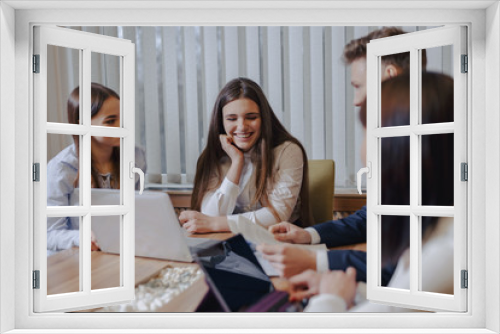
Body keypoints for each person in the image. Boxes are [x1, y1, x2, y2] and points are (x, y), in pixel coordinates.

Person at [257, 27, 427, 282]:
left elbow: (408, 266)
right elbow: (372, 216)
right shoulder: (402, 137)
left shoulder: (431, 146)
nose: (356, 101)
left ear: (390, 77)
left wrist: (315, 260)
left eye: (358, 86)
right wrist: (309, 235)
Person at [289, 71, 455, 312]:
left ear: (395, 145)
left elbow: (390, 311)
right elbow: (394, 303)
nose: (362, 149)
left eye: (367, 132)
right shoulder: (434, 225)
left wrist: (330, 300)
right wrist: (351, 293)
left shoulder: (443, 257)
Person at [179, 77, 313, 233]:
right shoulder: (213, 156)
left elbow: (278, 215)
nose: (242, 127)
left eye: (251, 117)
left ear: (264, 118)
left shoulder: (288, 151)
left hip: (279, 242)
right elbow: (210, 215)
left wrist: (216, 224)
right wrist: (237, 162)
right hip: (227, 243)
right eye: (231, 119)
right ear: (221, 122)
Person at [46, 83, 147, 255]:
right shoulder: (62, 168)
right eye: (111, 121)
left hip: (113, 251)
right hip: (72, 259)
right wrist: (82, 238)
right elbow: (49, 234)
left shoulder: (136, 156)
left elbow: (138, 210)